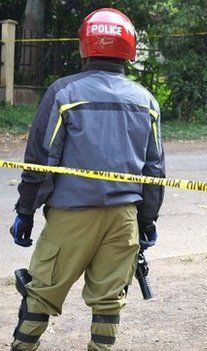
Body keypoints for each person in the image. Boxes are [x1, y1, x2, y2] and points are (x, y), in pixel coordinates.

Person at [8, 8, 165, 351]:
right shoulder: (147, 102)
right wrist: (147, 220)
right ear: (129, 48)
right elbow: (154, 171)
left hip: (71, 216)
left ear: (85, 45)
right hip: (124, 219)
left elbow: (41, 159)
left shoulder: (64, 93)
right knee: (109, 301)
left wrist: (26, 210)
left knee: (41, 293)